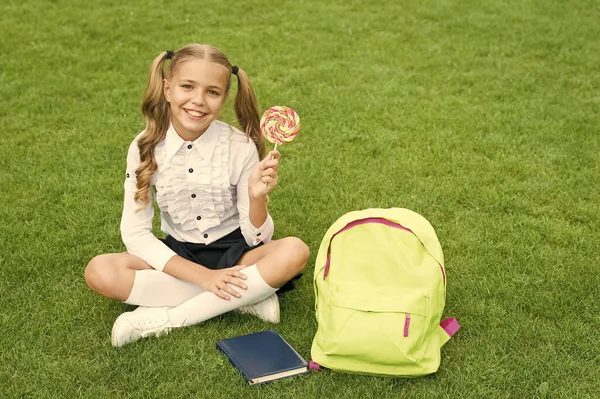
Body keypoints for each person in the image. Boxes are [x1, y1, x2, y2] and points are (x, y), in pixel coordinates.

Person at [84, 44, 310, 347]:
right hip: (179, 254)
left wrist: (257, 198)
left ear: (224, 98)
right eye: (187, 86)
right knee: (100, 271)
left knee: (295, 251)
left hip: (237, 254)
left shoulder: (239, 146)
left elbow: (258, 239)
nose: (198, 101)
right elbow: (135, 234)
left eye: (212, 92)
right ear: (167, 88)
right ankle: (247, 298)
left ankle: (166, 319)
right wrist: (203, 277)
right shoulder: (144, 147)